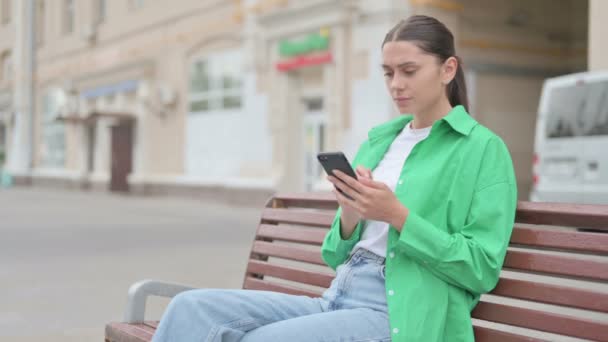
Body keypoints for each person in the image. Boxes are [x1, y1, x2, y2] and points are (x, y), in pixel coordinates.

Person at [152, 14, 517, 342]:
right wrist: (351, 214)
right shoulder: (380, 141)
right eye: (388, 73)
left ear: (447, 69)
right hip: (338, 296)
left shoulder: (481, 149)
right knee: (190, 309)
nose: (396, 84)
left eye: (409, 70)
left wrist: (397, 216)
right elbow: (334, 254)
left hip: (398, 314)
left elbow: (481, 268)